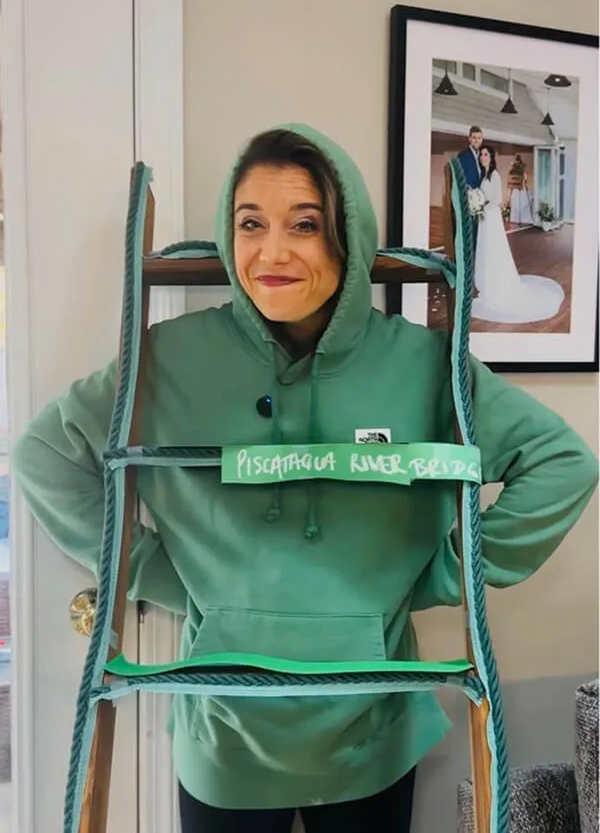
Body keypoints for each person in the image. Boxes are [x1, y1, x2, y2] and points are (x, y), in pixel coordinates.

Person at [11, 125, 598, 833]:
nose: (272, 252)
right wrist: (159, 575)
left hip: (371, 726)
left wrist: (447, 574)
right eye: (250, 224)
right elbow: (45, 454)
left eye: (305, 224)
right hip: (225, 729)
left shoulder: (424, 364)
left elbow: (563, 463)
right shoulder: (169, 357)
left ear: (347, 238)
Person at [471, 144, 565, 324]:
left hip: (491, 217)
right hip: (484, 219)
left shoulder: (495, 175)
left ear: (491, 157)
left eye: (486, 154)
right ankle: (487, 283)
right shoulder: (483, 175)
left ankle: (497, 284)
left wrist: (482, 207)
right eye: (481, 154)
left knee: (494, 249)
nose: (483, 157)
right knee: (485, 250)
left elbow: (497, 199)